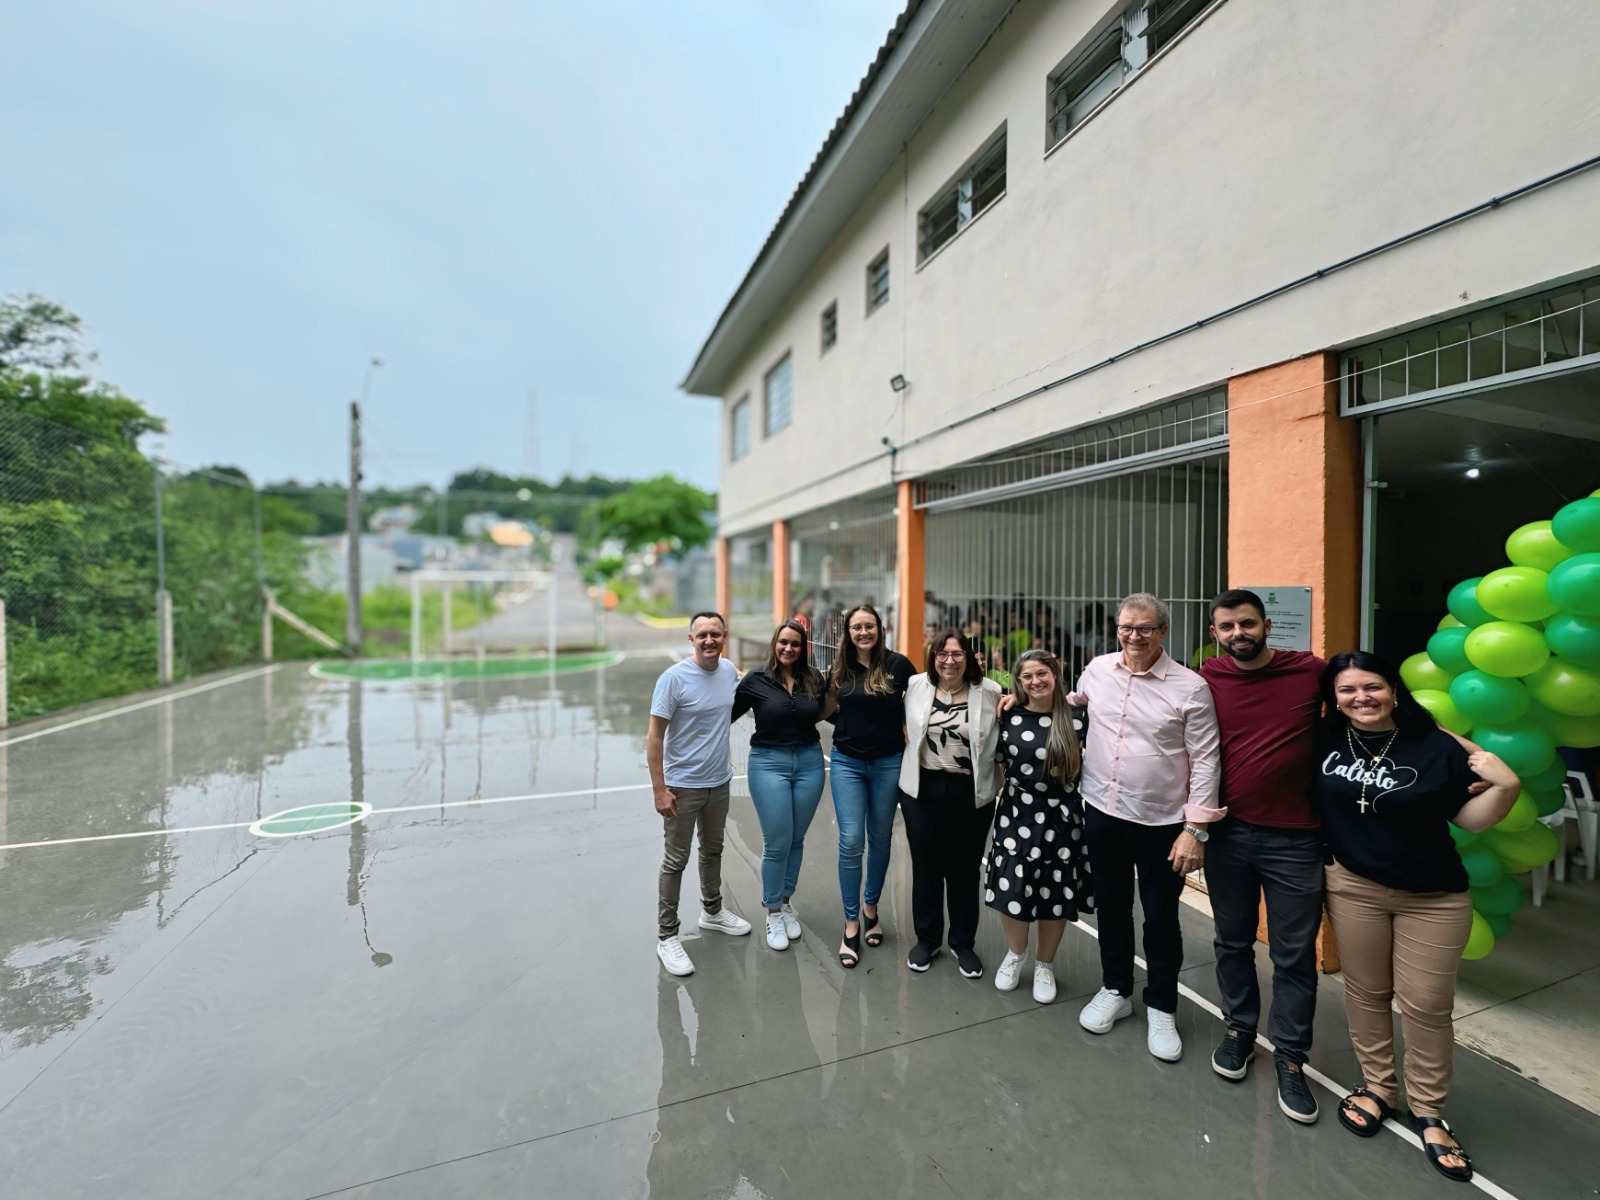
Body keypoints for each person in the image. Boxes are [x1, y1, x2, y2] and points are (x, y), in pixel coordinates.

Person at [1317, 651, 1518, 1184]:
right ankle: (1379, 1087)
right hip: (1353, 887)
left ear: (1394, 690)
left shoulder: (1434, 747)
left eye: (1373, 687)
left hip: (1432, 897)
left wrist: (1507, 786)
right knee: (1364, 991)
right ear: (1333, 698)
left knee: (1427, 1004)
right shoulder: (1325, 740)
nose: (1361, 698)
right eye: (1347, 690)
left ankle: (1430, 1111)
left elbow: (1470, 820)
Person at [1073, 592, 1222, 1061]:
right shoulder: (1097, 670)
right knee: (1112, 907)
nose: (1133, 637)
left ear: (1163, 632)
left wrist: (1194, 829)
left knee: (1160, 918)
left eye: (1144, 629)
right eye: (1126, 627)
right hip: (1101, 810)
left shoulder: (1190, 687)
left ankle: (1161, 1004)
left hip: (1161, 823)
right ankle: (1115, 989)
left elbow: (1206, 760)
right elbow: (1077, 705)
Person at [1198, 589, 1326, 1123]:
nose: (1237, 635)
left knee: (1294, 956)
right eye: (1226, 628)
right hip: (1228, 835)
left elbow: (1381, 704)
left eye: (1246, 624)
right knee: (1231, 940)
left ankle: (1292, 1060)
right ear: (1215, 633)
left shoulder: (1311, 671)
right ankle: (1239, 1031)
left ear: (1268, 625)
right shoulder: (1207, 677)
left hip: (1297, 839)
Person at [986, 649, 1092, 1004]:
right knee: (1013, 885)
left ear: (1056, 672)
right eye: (1027, 676)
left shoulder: (1078, 718)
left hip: (1063, 818)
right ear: (1018, 681)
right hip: (1017, 813)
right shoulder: (1009, 717)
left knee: (1054, 890)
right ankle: (1016, 954)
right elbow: (997, 762)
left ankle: (1044, 964)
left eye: (1042, 673)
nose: (1036, 681)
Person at [649, 612, 752, 976]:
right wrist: (660, 789)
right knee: (675, 861)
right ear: (691, 638)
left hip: (719, 782)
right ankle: (667, 937)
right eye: (702, 635)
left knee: (712, 850)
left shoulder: (727, 671)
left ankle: (712, 912)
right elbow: (655, 737)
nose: (709, 640)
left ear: (724, 636)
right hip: (683, 787)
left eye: (715, 634)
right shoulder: (673, 679)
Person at [899, 628, 1003, 978]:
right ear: (933, 657)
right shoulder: (915, 686)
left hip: (969, 792)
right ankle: (927, 939)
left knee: (964, 868)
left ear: (968, 658)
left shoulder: (990, 692)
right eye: (942, 653)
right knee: (926, 865)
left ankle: (963, 942)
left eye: (957, 654)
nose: (949, 660)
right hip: (923, 789)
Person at [733, 620, 832, 952]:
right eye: (783, 642)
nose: (788, 648)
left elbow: (824, 713)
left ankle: (787, 903)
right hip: (768, 763)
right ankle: (773, 911)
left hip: (809, 762)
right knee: (777, 842)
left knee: (796, 839)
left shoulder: (813, 680)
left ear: (803, 648)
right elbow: (722, 715)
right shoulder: (755, 680)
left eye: (795, 643)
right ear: (774, 644)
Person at [827, 604, 916, 968]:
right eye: (856, 627)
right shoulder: (839, 669)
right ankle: (850, 923)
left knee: (880, 838)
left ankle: (871, 907)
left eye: (869, 626)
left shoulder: (899, 666)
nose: (863, 632)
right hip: (847, 763)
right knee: (851, 840)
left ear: (880, 628)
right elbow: (825, 708)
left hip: (888, 763)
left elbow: (926, 702)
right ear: (847, 633)